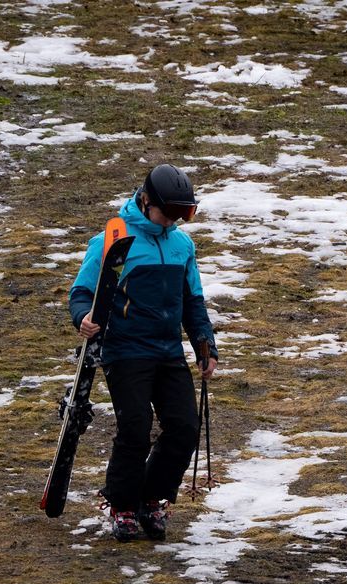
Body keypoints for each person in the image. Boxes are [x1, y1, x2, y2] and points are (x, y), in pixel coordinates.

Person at [69, 164, 218, 542]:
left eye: (183, 214)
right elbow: (83, 293)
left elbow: (192, 300)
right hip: (125, 350)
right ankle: (121, 504)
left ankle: (151, 498)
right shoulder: (114, 238)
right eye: (170, 212)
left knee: (185, 427)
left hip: (168, 350)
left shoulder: (182, 245)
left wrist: (205, 344)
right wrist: (82, 319)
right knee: (135, 426)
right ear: (148, 200)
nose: (174, 221)